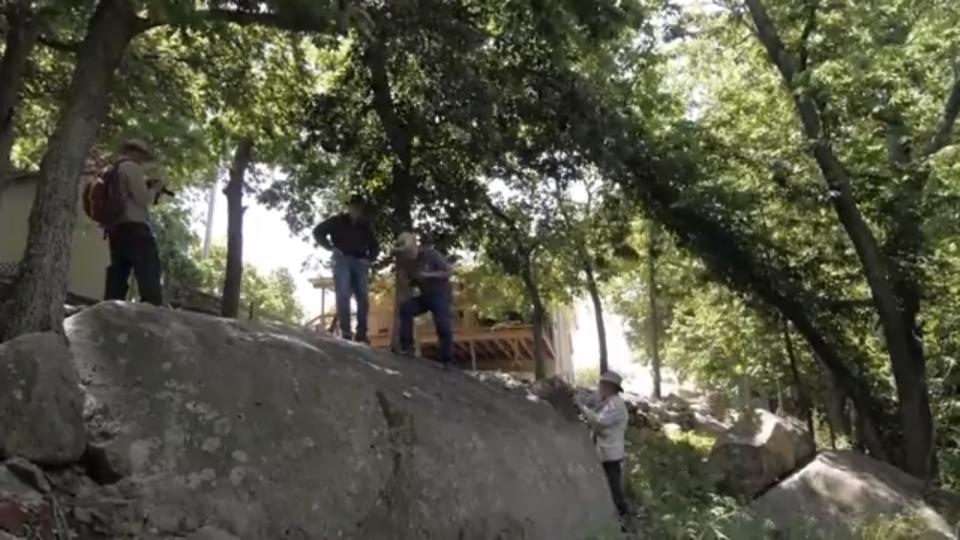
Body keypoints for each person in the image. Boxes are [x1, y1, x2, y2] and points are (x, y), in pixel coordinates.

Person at [103, 139, 165, 306]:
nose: (143, 161)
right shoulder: (131, 167)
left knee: (118, 273)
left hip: (115, 228)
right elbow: (143, 198)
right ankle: (151, 311)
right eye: (143, 156)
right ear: (136, 152)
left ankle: (110, 308)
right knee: (149, 271)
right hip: (135, 228)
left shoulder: (112, 169)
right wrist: (154, 189)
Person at [313, 195, 379, 343]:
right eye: (354, 207)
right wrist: (330, 247)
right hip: (342, 259)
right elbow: (318, 231)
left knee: (362, 296)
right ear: (349, 207)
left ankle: (361, 333)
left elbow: (375, 245)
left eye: (359, 208)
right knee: (343, 293)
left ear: (362, 209)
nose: (356, 210)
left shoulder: (366, 225)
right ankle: (346, 332)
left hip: (359, 261)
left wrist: (369, 259)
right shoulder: (337, 221)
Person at [393, 232, 455, 368]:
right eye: (404, 252)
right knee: (405, 308)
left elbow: (449, 271)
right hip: (425, 296)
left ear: (415, 246)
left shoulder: (431, 255)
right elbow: (411, 281)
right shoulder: (408, 263)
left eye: (408, 251)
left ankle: (447, 360)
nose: (407, 254)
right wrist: (409, 281)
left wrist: (428, 275)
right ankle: (407, 347)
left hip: (440, 294)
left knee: (442, 325)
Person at [579, 371, 630, 528]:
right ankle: (614, 518)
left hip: (611, 454)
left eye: (603, 385)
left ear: (610, 387)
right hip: (603, 452)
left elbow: (601, 422)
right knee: (606, 486)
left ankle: (624, 518)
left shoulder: (615, 404)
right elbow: (592, 401)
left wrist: (582, 407)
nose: (600, 387)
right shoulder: (607, 401)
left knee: (613, 488)